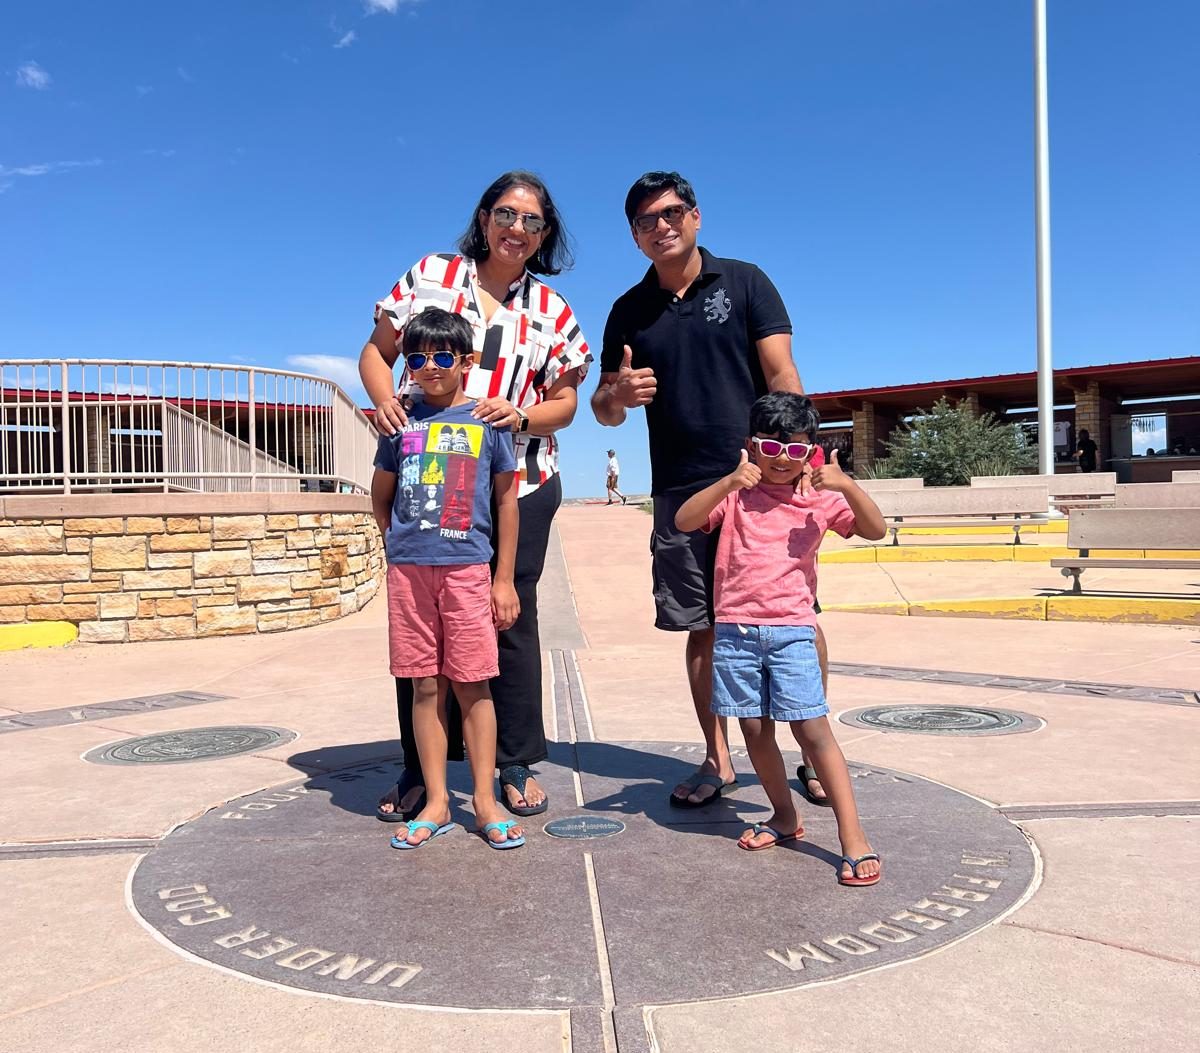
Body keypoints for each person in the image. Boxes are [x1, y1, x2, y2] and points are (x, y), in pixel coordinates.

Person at [592, 170, 831, 809]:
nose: (661, 227)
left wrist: (800, 453)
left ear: (696, 216)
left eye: (671, 213)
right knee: (702, 626)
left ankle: (813, 751)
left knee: (796, 618)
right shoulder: (628, 310)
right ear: (635, 236)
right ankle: (717, 756)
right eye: (645, 221)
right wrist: (615, 395)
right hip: (680, 488)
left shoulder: (747, 281)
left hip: (764, 482)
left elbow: (782, 373)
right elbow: (604, 409)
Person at [360, 171, 592, 823]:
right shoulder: (432, 274)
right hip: (428, 479)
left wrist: (519, 416)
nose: (517, 229)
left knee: (506, 616)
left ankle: (512, 762)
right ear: (484, 217)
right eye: (505, 214)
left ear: (546, 234)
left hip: (519, 479)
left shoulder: (552, 312)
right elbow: (377, 353)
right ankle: (420, 768)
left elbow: (566, 403)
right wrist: (388, 408)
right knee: (422, 629)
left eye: (533, 221)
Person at [674, 392, 883, 886]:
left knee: (812, 729)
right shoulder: (735, 495)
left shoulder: (822, 500)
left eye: (796, 451)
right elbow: (684, 521)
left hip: (792, 632)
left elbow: (874, 530)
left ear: (811, 450)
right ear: (751, 445)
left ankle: (852, 835)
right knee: (753, 730)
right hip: (735, 633)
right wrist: (729, 479)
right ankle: (784, 816)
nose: (782, 461)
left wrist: (846, 484)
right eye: (770, 448)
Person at [371, 309, 524, 850]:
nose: (429, 367)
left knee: (472, 683)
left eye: (442, 357)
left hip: (467, 570)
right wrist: (401, 544)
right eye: (417, 358)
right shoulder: (400, 421)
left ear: (466, 361)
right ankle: (437, 799)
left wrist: (502, 579)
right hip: (411, 573)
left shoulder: (488, 421)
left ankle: (484, 799)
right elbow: (381, 494)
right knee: (424, 684)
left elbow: (506, 501)